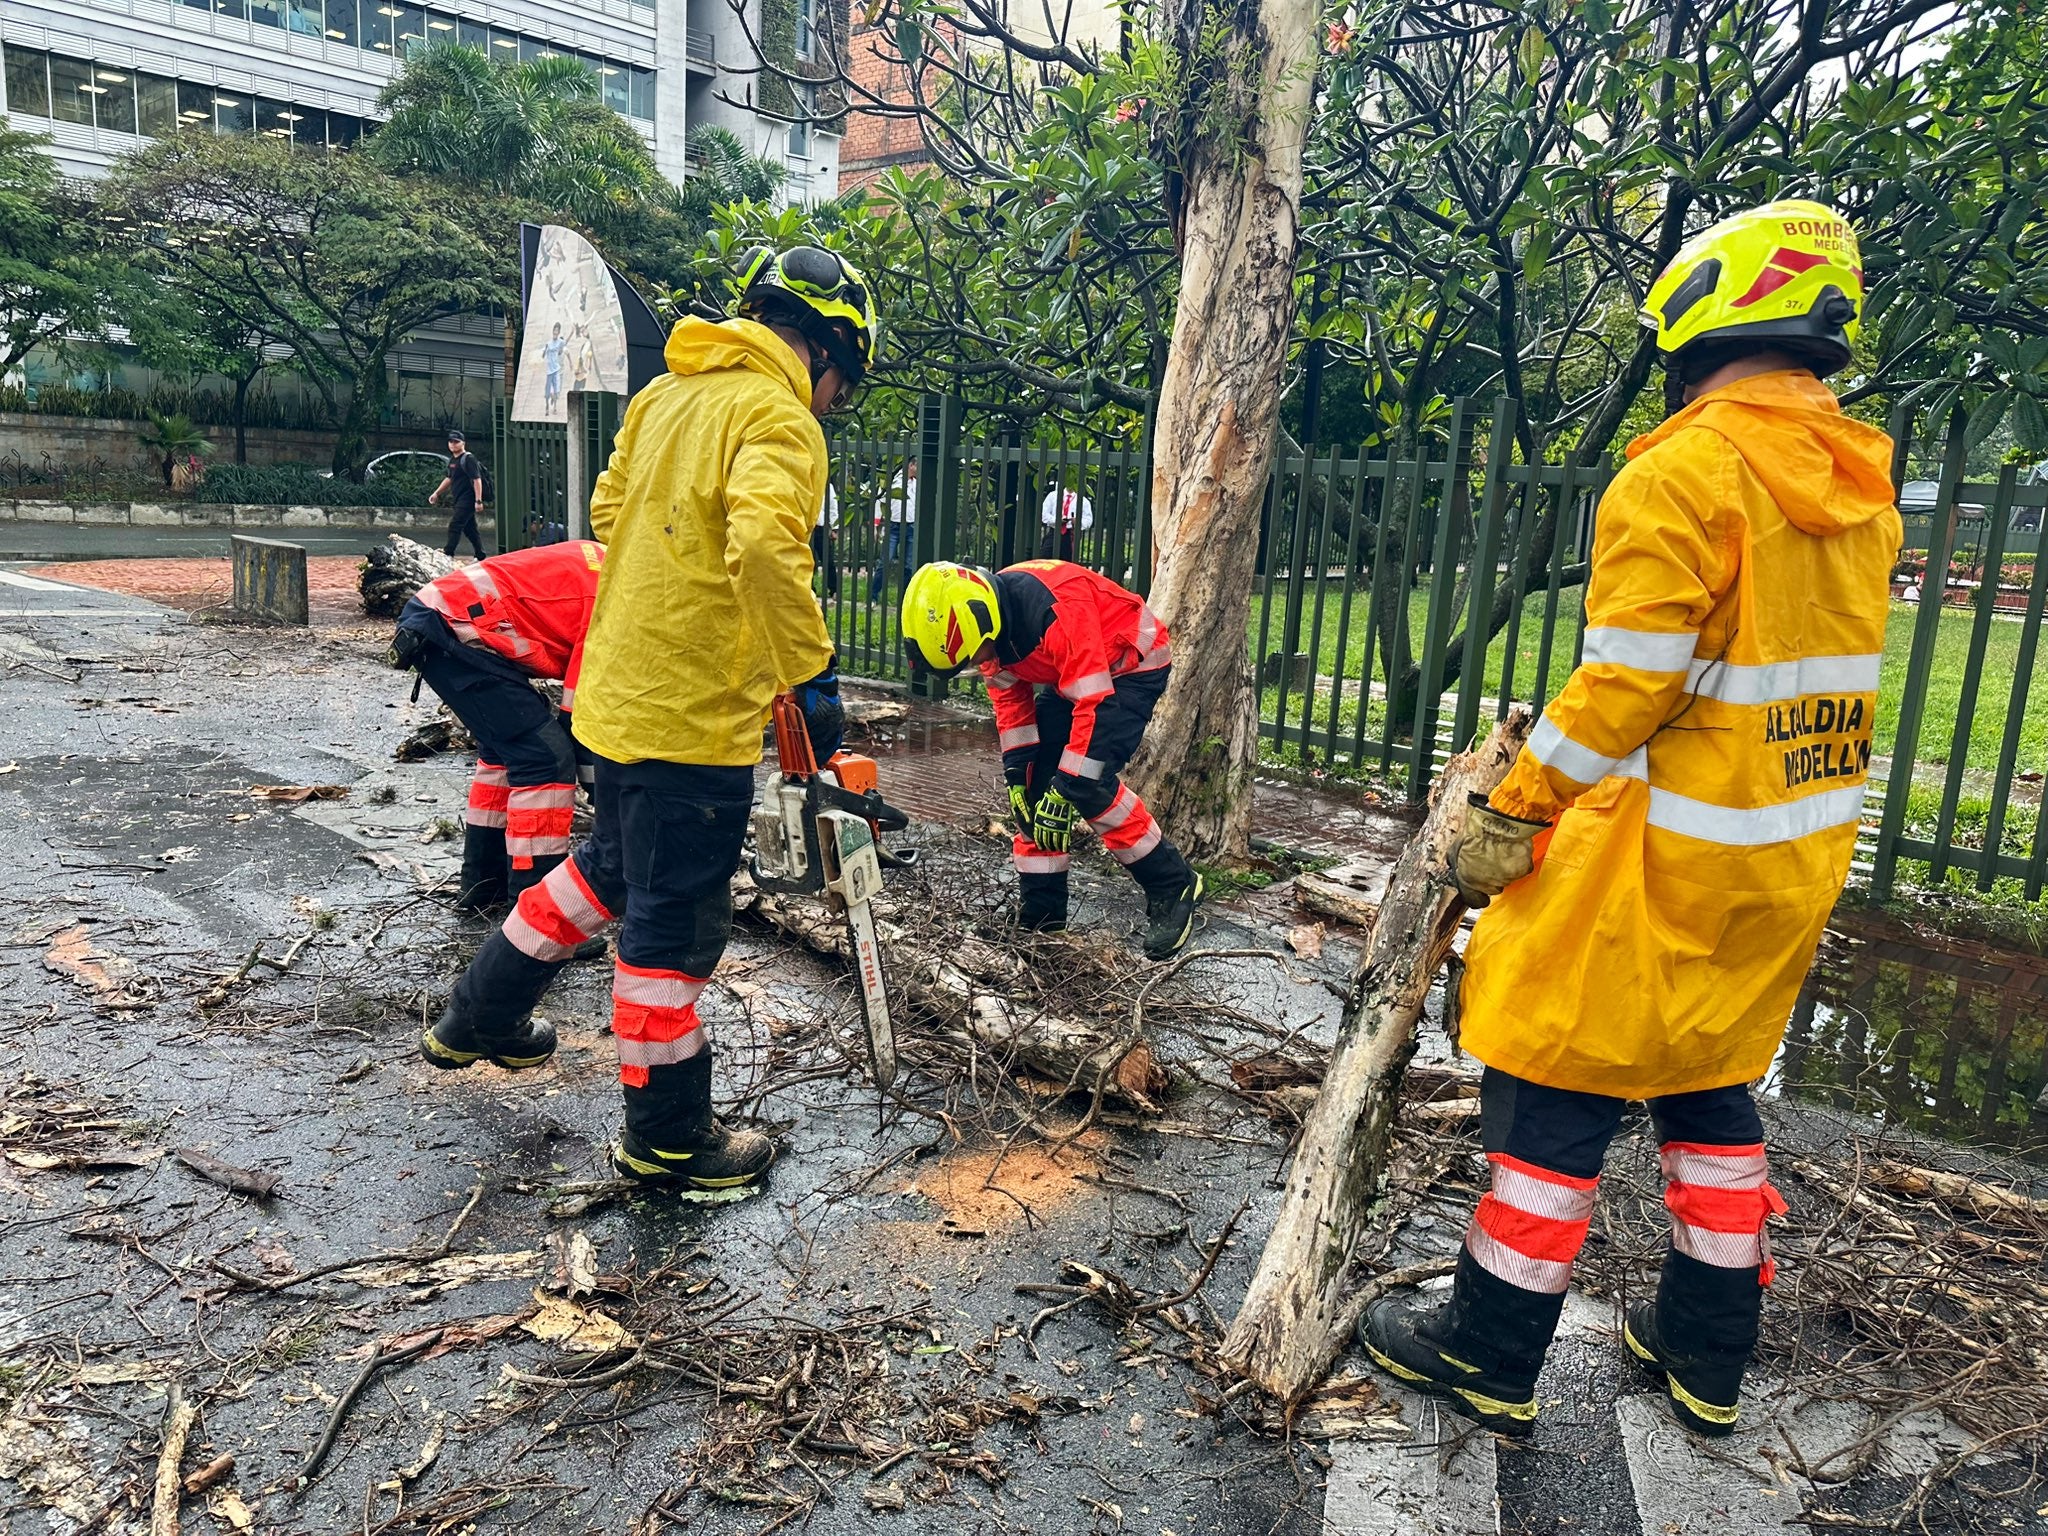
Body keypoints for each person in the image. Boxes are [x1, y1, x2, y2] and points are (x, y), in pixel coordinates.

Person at [1359, 201, 1901, 1441]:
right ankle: (1706, 1353)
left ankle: (1489, 1351)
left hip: (1651, 860)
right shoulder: (1860, 498)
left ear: (1704, 311)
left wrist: (1511, 801)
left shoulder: (1683, 472)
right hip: (1779, 863)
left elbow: (1626, 688)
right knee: (1709, 1087)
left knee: (1552, 1083)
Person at [420, 244, 870, 1193]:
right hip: (690, 718)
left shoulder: (664, 397)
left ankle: (480, 1014)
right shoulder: (779, 417)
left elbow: (611, 510)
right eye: (842, 381)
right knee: (672, 929)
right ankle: (667, 1134)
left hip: (616, 697)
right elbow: (759, 542)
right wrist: (806, 673)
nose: (833, 402)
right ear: (829, 347)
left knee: (609, 871)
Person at [900, 559, 1204, 960]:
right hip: (1076, 674)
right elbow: (1011, 703)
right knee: (1036, 785)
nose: (978, 665)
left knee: (1087, 783)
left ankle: (1172, 884)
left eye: (975, 656)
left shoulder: (1056, 613)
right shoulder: (990, 630)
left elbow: (1094, 702)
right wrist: (1017, 774)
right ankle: (1042, 916)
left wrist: (1067, 790)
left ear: (985, 622)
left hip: (1129, 666)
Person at [390, 540, 605, 921]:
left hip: (440, 622)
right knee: (545, 759)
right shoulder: (617, 602)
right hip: (452, 628)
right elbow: (581, 720)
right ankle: (537, 913)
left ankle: (481, 889)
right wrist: (608, 798)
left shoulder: (609, 568)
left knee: (506, 756)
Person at [427, 430, 487, 559]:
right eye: (451, 441)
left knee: (455, 525)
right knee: (469, 528)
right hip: (459, 498)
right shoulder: (453, 460)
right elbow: (449, 478)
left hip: (468, 499)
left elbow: (477, 480)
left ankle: (448, 553)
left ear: (463, 443)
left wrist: (478, 500)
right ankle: (480, 554)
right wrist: (436, 493)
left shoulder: (469, 459)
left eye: (456, 442)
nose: (453, 444)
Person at [869, 459, 916, 601]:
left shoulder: (917, 483)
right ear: (911, 465)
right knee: (885, 562)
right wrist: (875, 524)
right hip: (893, 525)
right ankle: (873, 596)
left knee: (908, 565)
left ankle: (904, 598)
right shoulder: (892, 480)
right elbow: (879, 502)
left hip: (911, 525)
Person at [1038, 483, 1094, 561]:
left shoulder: (1083, 501)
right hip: (1054, 531)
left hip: (1069, 533)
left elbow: (1088, 520)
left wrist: (1077, 522)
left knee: (1067, 561)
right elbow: (1044, 515)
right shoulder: (1053, 496)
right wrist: (1056, 520)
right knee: (1044, 557)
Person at [812, 482, 841, 599]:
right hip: (805, 526)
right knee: (807, 559)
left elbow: (833, 506)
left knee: (828, 560)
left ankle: (834, 589)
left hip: (820, 526)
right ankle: (809, 588)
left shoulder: (827, 486)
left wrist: (834, 527)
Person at [543, 323, 568, 411]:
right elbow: (545, 354)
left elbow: (566, 344)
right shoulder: (553, 348)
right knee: (552, 389)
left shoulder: (562, 350)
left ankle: (554, 404)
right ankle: (551, 402)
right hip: (553, 372)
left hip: (559, 372)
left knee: (556, 390)